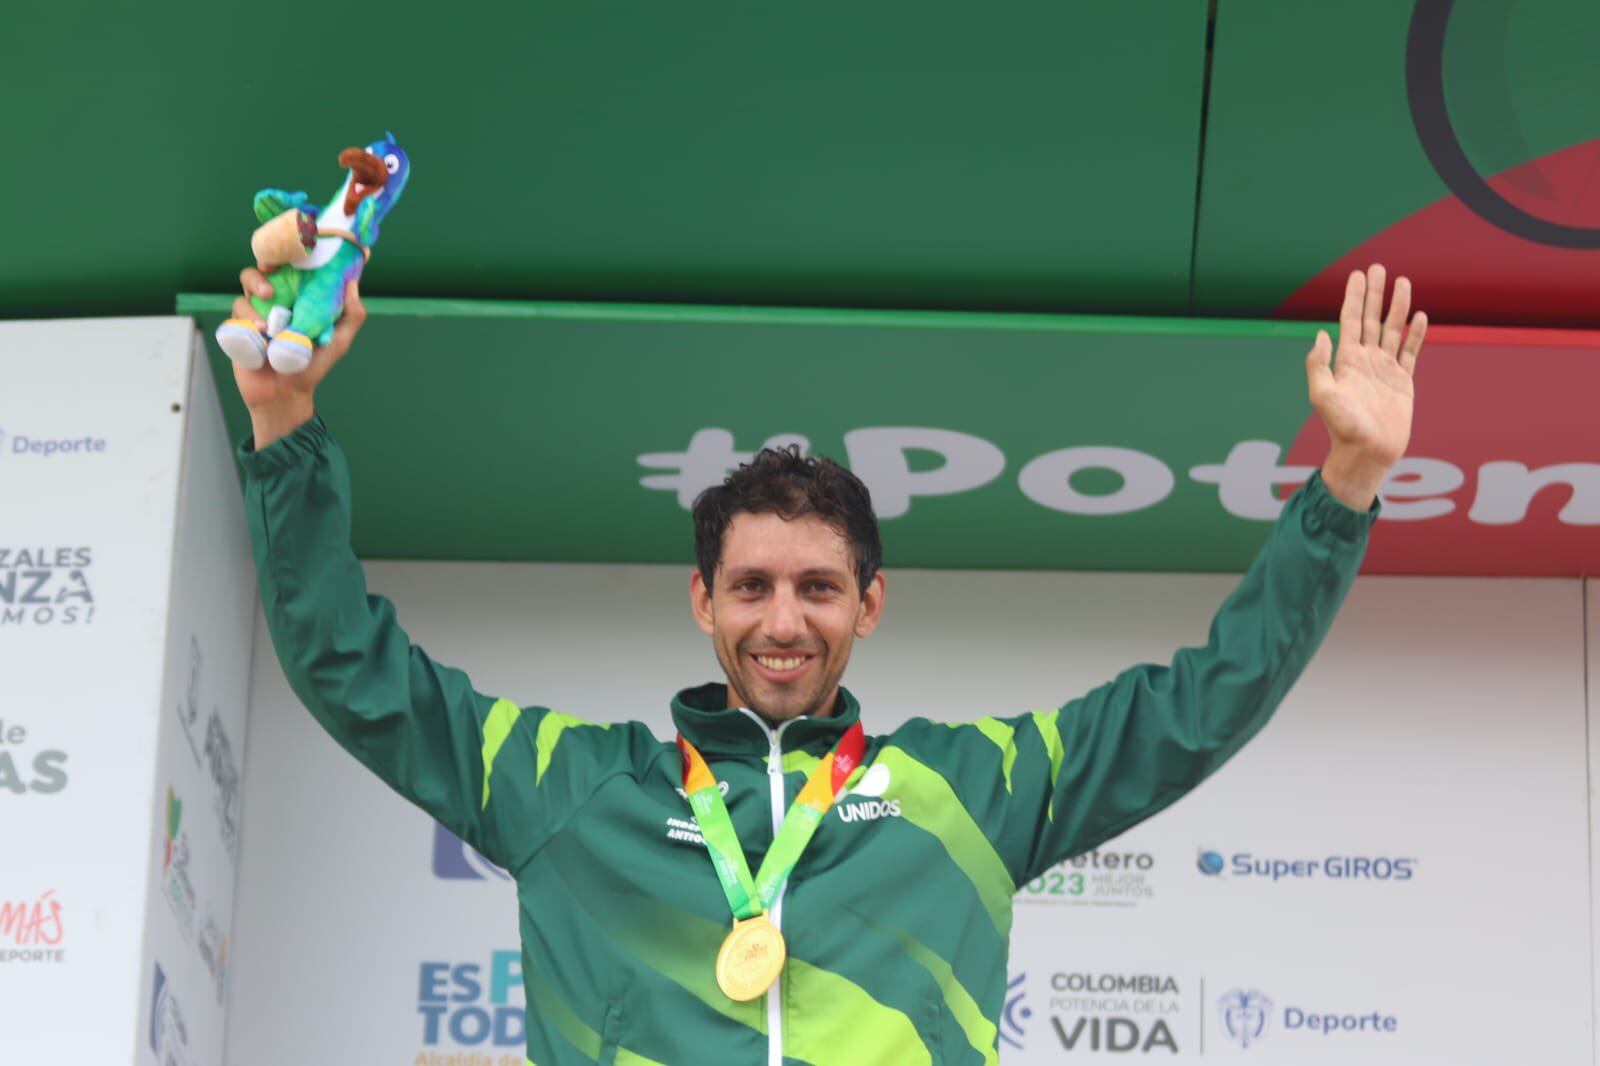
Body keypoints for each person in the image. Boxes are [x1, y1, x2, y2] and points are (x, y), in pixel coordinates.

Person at [227, 263, 1425, 1066]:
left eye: (816, 587)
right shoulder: (576, 787)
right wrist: (284, 425)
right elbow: (350, 667)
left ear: (870, 603)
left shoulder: (969, 788)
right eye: (750, 586)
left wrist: (1347, 484)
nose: (782, 620)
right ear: (703, 601)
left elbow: (1202, 702)